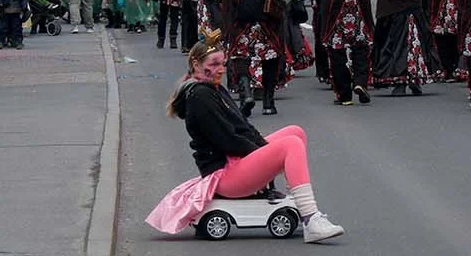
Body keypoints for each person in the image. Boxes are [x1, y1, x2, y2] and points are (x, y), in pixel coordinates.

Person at [146, 42, 344, 243]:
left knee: (295, 132)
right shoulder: (199, 96)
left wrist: (264, 152)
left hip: (234, 163)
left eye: (223, 63)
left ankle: (299, 203)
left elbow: (245, 128)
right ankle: (311, 219)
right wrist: (264, 155)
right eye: (214, 64)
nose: (221, 69)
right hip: (225, 174)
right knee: (291, 144)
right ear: (196, 65)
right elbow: (229, 141)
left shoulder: (212, 89)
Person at [208, 0, 292, 116]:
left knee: (240, 57)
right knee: (270, 57)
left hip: (240, 17)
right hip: (268, 17)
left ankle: (246, 91)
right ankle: (269, 103)